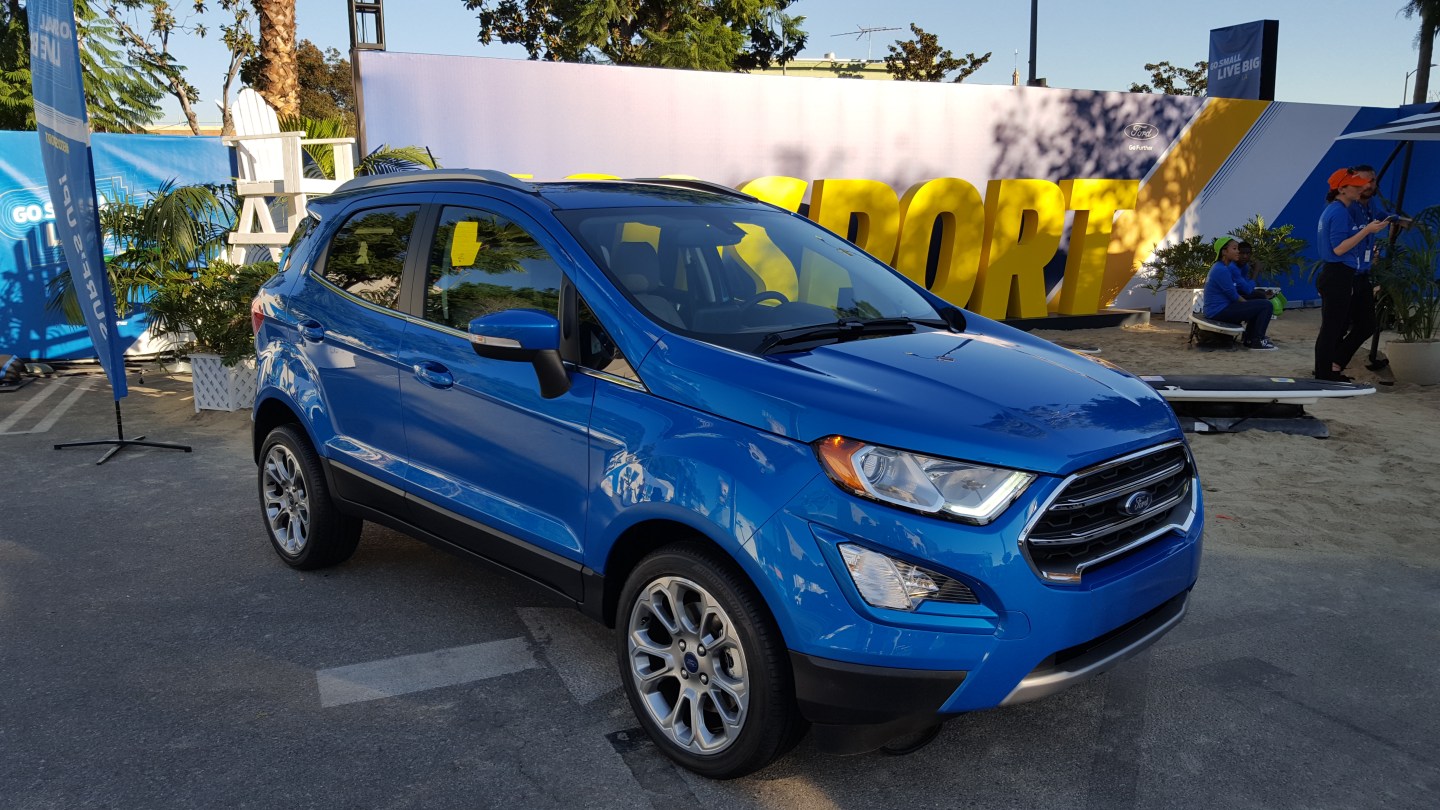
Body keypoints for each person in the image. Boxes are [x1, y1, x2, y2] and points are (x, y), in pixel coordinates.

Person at [1315, 168, 1390, 381]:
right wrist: (1366, 231)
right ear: (1342, 189)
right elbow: (1339, 248)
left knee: (1335, 327)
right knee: (1332, 328)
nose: (1361, 189)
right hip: (1337, 272)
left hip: (1339, 272)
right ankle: (1325, 374)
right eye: (1356, 186)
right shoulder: (1338, 211)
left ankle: (1327, 372)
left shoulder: (1338, 209)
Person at [1202, 236, 1276, 350]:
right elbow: (1234, 296)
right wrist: (1249, 306)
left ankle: (1250, 338)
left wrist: (1250, 306)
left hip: (1219, 308)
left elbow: (1237, 292)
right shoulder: (1222, 270)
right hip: (1218, 311)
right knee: (1266, 305)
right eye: (1235, 249)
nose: (1238, 251)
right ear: (1224, 252)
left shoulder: (1221, 267)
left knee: (1258, 302)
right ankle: (1257, 340)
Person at [1236, 241, 1286, 318]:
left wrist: (1263, 293)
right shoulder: (1233, 267)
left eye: (1248, 253)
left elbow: (1246, 287)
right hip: (1232, 300)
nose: (1245, 256)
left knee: (1262, 293)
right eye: (1242, 253)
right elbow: (1247, 290)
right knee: (1265, 304)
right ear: (1237, 253)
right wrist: (1256, 270)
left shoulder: (1245, 267)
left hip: (1239, 295)